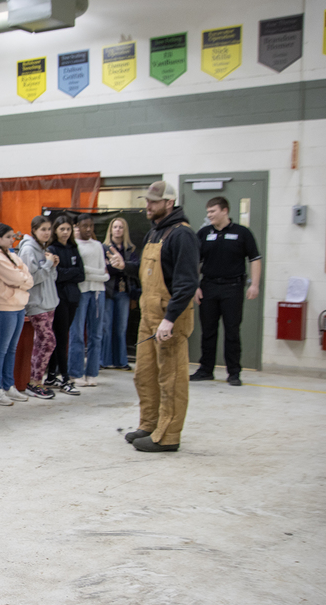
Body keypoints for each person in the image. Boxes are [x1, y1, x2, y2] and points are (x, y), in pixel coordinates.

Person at [112, 181, 200, 453]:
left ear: (169, 203)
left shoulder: (181, 234)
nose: (147, 205)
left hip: (168, 319)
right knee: (145, 374)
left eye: (153, 201)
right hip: (149, 316)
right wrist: (125, 266)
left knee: (171, 378)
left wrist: (170, 319)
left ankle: (168, 435)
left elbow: (186, 283)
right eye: (146, 200)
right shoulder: (155, 232)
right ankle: (150, 424)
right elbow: (149, 271)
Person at [191, 196, 262, 386]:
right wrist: (196, 286)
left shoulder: (242, 233)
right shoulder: (204, 233)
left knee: (232, 331)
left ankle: (234, 372)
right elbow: (196, 261)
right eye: (208, 212)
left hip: (233, 288)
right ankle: (206, 369)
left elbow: (255, 258)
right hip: (209, 287)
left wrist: (254, 284)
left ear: (225, 211)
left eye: (212, 211)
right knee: (208, 331)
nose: (209, 215)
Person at [0, 223, 33, 406]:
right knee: (0, 348)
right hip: (4, 306)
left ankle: (8, 385)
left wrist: (21, 279)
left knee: (12, 348)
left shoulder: (10, 254)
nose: (13, 240)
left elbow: (27, 277)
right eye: (9, 236)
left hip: (19, 305)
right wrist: (21, 278)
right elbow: (16, 278)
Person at [19, 215, 59, 399]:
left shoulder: (44, 249)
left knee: (41, 343)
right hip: (37, 305)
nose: (46, 233)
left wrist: (52, 266)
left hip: (49, 303)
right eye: (43, 229)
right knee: (49, 341)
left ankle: (35, 381)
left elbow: (50, 277)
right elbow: (30, 280)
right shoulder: (28, 250)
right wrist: (49, 264)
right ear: (34, 230)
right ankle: (34, 381)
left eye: (49, 229)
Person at [68, 214, 109, 387]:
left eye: (91, 226)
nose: (88, 229)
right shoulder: (74, 245)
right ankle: (75, 372)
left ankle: (92, 372)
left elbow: (105, 273)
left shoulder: (98, 245)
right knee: (77, 333)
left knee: (96, 334)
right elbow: (80, 271)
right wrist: (94, 273)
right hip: (82, 291)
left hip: (98, 291)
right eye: (85, 226)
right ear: (77, 226)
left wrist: (92, 273)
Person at [46, 214, 85, 395]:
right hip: (59, 299)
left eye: (68, 229)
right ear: (56, 230)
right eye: (62, 229)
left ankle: (52, 374)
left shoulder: (73, 248)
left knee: (62, 335)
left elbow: (81, 274)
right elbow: (57, 275)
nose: (65, 232)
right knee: (61, 337)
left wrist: (66, 272)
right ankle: (65, 377)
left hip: (73, 298)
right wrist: (70, 273)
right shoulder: (52, 249)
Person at [101, 217, 139, 371]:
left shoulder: (131, 249)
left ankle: (121, 361)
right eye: (115, 227)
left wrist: (119, 265)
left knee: (121, 327)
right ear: (110, 230)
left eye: (120, 227)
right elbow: (104, 269)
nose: (117, 230)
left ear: (125, 230)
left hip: (123, 292)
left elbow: (135, 268)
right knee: (106, 326)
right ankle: (104, 360)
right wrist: (120, 267)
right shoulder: (103, 248)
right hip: (108, 292)